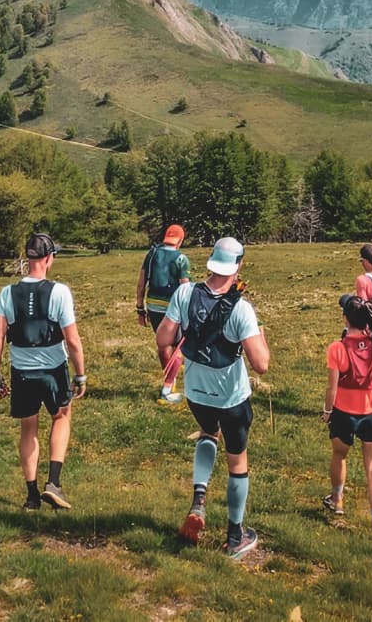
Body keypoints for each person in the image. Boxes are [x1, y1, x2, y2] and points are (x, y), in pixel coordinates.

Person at [156, 236, 270, 560]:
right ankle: (235, 536)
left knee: (208, 434)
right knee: (237, 460)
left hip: (195, 392)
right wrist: (260, 335)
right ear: (239, 266)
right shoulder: (242, 309)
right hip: (232, 398)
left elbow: (163, 337)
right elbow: (261, 365)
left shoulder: (184, 292)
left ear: (210, 261)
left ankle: (199, 499)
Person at [0, 232, 86, 510]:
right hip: (53, 370)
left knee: (28, 428)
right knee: (61, 416)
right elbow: (73, 341)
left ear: (28, 258)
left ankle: (31, 496)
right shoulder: (60, 292)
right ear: (48, 258)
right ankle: (53, 484)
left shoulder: (6, 293)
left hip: (22, 372)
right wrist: (81, 375)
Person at [322, 293, 372, 535]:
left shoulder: (336, 348)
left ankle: (337, 499)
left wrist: (327, 411)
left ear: (345, 318)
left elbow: (332, 387)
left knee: (339, 455)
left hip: (343, 411)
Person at [135, 224, 192, 402]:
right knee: (178, 350)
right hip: (172, 309)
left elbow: (141, 283)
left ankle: (170, 379)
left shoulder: (151, 255)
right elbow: (184, 288)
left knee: (163, 346)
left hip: (152, 307)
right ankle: (167, 391)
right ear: (180, 241)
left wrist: (140, 309)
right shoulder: (181, 259)